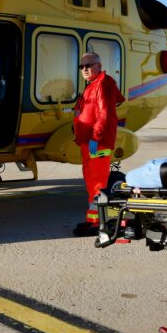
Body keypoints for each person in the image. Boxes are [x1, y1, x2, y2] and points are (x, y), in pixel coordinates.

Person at [72, 52, 125, 237]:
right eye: (82, 66)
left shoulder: (103, 83)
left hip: (98, 143)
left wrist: (95, 137)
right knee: (91, 181)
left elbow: (104, 114)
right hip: (88, 143)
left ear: (99, 65)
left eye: (88, 65)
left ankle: (102, 222)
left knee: (98, 183)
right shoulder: (93, 85)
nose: (85, 69)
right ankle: (94, 220)